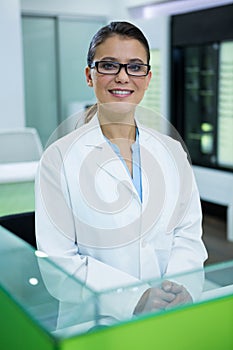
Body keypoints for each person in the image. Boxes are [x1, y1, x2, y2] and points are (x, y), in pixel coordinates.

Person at [35, 21, 208, 328]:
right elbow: (58, 263)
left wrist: (181, 288)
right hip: (95, 325)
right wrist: (135, 298)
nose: (123, 77)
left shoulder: (172, 152)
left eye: (135, 67)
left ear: (148, 77)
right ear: (90, 75)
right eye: (109, 65)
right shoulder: (58, 158)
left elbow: (188, 234)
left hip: (170, 318)